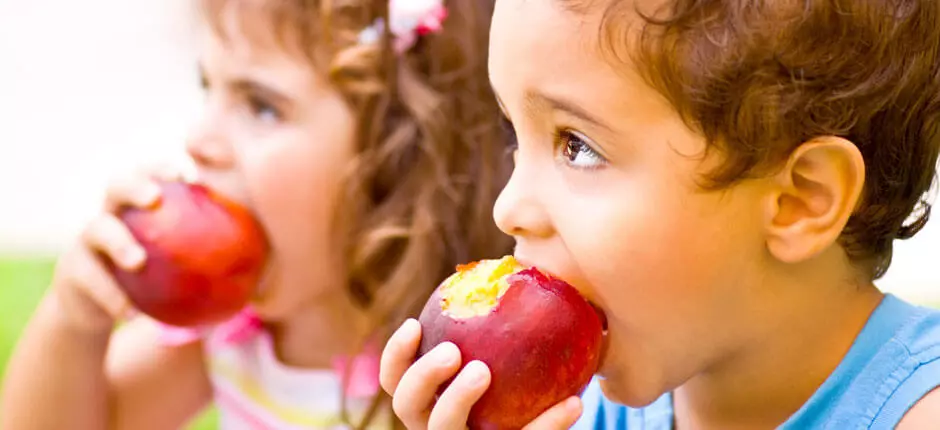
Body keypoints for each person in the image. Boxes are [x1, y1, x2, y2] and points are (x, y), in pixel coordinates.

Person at [378, 0, 940, 428]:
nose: (508, 208)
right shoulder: (582, 412)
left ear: (798, 201)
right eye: (513, 135)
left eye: (578, 146)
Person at [0, 0, 513, 428]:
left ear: (399, 159)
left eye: (261, 105)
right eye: (210, 88)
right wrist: (73, 322)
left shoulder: (457, 369)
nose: (199, 140)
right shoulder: (228, 332)